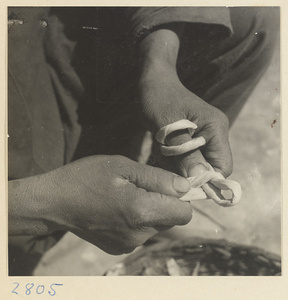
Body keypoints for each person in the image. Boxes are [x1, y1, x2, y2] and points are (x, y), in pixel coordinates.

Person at [8, 7, 279, 275]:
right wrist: (48, 202)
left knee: (249, 18)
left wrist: (159, 67)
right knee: (15, 259)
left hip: (47, 44)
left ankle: (156, 217)